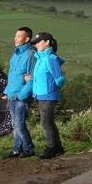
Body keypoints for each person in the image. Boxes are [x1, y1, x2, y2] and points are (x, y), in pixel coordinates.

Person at [27, 31, 65, 159]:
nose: (36, 44)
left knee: (45, 123)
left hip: (48, 95)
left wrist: (51, 89)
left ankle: (50, 148)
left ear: (47, 42)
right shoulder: (40, 58)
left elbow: (59, 78)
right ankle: (58, 147)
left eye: (38, 42)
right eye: (35, 43)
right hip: (41, 95)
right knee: (49, 122)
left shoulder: (50, 59)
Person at [1, 26, 36, 159]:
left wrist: (22, 95)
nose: (15, 39)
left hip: (22, 96)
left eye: (19, 36)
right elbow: (12, 76)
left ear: (27, 39)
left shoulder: (30, 55)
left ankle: (28, 148)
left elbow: (32, 79)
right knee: (15, 124)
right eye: (15, 36)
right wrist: (6, 92)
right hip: (11, 94)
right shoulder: (15, 55)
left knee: (18, 123)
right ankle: (17, 149)